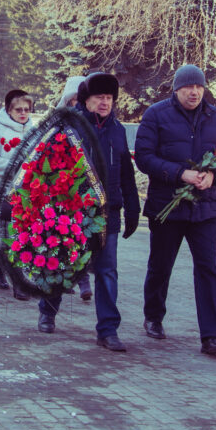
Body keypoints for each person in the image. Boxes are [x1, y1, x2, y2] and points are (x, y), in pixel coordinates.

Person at [134, 64, 216, 356]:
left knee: (208, 269)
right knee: (161, 265)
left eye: (199, 87)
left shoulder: (214, 116)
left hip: (204, 207)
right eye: (188, 87)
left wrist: (214, 176)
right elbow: (143, 157)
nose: (194, 92)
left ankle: (211, 336)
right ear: (176, 89)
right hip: (167, 204)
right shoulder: (156, 114)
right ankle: (153, 317)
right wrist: (179, 174)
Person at [36, 72, 140, 352]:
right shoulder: (69, 127)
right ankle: (47, 310)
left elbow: (126, 172)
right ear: (86, 99)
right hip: (73, 212)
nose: (105, 103)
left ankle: (108, 330)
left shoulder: (117, 129)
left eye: (109, 98)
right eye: (99, 98)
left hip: (108, 214)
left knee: (107, 272)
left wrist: (133, 206)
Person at [0, 89, 35, 299]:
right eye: (19, 109)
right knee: (12, 234)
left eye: (27, 109)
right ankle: (18, 282)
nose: (23, 113)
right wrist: (17, 166)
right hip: (3, 192)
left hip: (28, 193)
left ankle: (0, 270)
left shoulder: (34, 131)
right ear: (9, 110)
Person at [57, 75, 93, 302]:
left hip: (85, 191)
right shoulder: (61, 121)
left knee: (81, 238)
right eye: (75, 99)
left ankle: (84, 281)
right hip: (64, 190)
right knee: (65, 239)